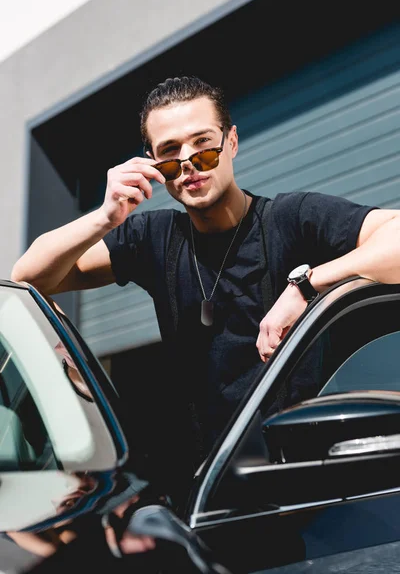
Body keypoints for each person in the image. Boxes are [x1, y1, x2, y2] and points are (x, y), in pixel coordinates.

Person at [11, 75, 400, 502]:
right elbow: (30, 278)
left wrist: (308, 285)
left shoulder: (293, 219)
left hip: (301, 492)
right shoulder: (152, 237)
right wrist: (105, 216)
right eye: (170, 152)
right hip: (200, 497)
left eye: (204, 143)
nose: (191, 162)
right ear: (152, 164)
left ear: (232, 142)